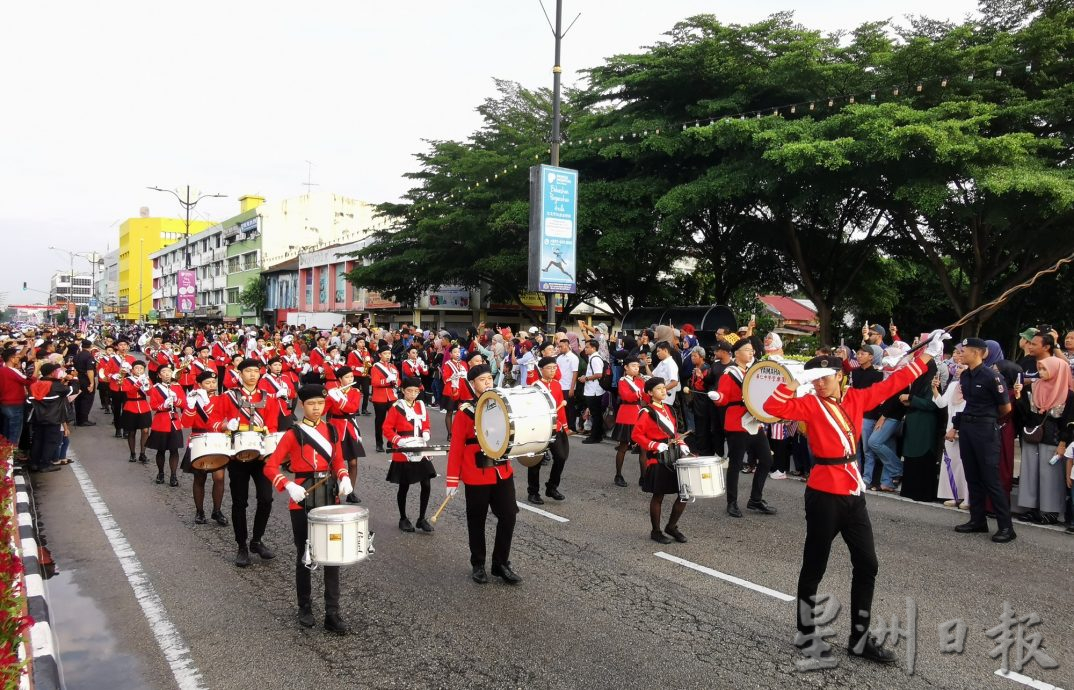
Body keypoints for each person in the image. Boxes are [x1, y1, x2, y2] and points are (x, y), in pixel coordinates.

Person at [763, 330, 947, 665]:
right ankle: (806, 633)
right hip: (823, 492)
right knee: (814, 565)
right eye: (815, 378)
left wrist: (928, 356)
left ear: (839, 376)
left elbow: (894, 382)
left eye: (825, 378)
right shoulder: (808, 403)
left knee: (868, 563)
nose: (819, 384)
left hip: (852, 490)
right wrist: (793, 382)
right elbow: (771, 405)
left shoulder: (855, 399)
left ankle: (859, 638)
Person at [263, 384, 353, 633]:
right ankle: (304, 607)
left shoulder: (332, 429)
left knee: (332, 554)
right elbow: (270, 466)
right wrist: (287, 485)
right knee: (305, 553)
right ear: (302, 405)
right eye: (312, 404)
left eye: (321, 404)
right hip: (301, 498)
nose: (317, 408)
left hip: (329, 498)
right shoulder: (293, 434)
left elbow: (337, 460)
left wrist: (343, 476)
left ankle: (332, 613)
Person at [445, 365, 521, 585]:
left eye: (490, 378)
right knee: (476, 520)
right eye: (482, 380)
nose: (487, 382)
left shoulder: (501, 405)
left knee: (509, 515)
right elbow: (457, 446)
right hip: (476, 472)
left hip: (501, 471)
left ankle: (500, 564)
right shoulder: (465, 411)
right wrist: (452, 479)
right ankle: (478, 564)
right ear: (472, 384)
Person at [953, 338, 1016, 543]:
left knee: (991, 478)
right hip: (968, 427)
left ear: (978, 353)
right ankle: (977, 520)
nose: (961, 354)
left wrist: (987, 420)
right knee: (973, 476)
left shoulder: (992, 376)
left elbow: (1005, 408)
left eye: (965, 351)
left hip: (985, 429)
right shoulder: (966, 376)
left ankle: (1006, 527)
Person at [218, 358, 277, 567]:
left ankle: (257, 540)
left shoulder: (268, 397)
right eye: (248, 371)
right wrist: (226, 424)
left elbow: (272, 424)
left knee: (266, 499)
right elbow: (213, 421)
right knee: (240, 502)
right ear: (239, 374)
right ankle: (241, 545)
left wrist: (269, 450)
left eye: (256, 371)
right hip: (237, 454)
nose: (253, 375)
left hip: (260, 456)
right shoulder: (228, 397)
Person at [711, 339, 776, 517]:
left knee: (766, 460)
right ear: (736, 353)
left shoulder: (753, 372)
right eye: (747, 350)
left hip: (754, 422)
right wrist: (717, 397)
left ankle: (755, 499)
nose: (751, 353)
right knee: (736, 464)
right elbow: (723, 398)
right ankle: (731, 502)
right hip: (737, 423)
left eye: (751, 350)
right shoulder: (729, 374)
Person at [1012, 356, 1074, 524]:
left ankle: (1050, 511)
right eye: (1040, 368)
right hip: (1032, 436)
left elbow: (1069, 422)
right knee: (1030, 472)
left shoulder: (1068, 394)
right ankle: (1031, 508)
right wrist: (1018, 397)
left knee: (1050, 475)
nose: (1041, 372)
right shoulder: (1032, 387)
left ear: (1058, 370)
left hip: (1053, 440)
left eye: (1045, 369)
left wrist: (1063, 443)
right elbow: (1025, 414)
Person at [633, 377, 693, 544]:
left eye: (663, 388)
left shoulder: (669, 409)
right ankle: (656, 531)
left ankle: (671, 527)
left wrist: (681, 443)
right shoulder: (646, 412)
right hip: (658, 457)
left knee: (684, 493)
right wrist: (654, 445)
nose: (663, 391)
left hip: (674, 456)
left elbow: (673, 433)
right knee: (658, 495)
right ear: (650, 393)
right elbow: (636, 435)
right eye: (659, 389)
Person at [382, 377, 436, 532]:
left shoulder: (420, 406)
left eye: (416, 391)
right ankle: (403, 518)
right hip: (404, 449)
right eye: (409, 391)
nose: (413, 394)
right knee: (404, 486)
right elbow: (387, 428)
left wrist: (426, 433)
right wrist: (398, 440)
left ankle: (421, 518)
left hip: (420, 446)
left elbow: (426, 423)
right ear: (403, 391)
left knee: (426, 483)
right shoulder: (396, 407)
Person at [181, 371, 229, 525]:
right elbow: (186, 423)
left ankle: (217, 511)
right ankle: (199, 511)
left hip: (217, 438)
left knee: (219, 477)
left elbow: (225, 418)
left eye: (214, 382)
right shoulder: (194, 399)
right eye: (207, 383)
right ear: (200, 385)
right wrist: (190, 405)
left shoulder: (222, 399)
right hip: (198, 438)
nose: (211, 386)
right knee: (200, 477)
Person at [527, 357, 571, 504]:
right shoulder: (535, 387)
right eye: (549, 368)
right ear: (541, 370)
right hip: (540, 428)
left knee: (561, 457)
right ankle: (533, 492)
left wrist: (565, 426)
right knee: (536, 460)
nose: (553, 371)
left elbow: (561, 407)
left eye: (554, 368)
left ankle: (551, 487)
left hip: (555, 427)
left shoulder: (558, 385)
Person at [898, 360, 941, 502]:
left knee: (923, 456)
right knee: (912, 456)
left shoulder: (932, 381)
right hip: (914, 422)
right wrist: (910, 401)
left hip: (925, 425)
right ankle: (910, 490)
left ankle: (922, 493)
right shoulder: (919, 381)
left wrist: (911, 398)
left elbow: (932, 404)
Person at [933, 359, 969, 510]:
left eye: (962, 367)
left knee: (966, 465)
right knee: (951, 462)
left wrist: (958, 428)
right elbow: (941, 403)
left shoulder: (973, 386)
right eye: (958, 367)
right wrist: (935, 390)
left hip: (965, 430)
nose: (958, 369)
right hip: (950, 430)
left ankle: (967, 498)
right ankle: (954, 495)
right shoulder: (954, 385)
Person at [325, 366, 364, 503]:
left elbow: (352, 408)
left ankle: (350, 491)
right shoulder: (333, 392)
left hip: (350, 427)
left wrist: (339, 399)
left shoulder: (355, 392)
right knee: (336, 463)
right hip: (336, 427)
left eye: (351, 377)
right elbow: (324, 410)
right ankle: (333, 493)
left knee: (353, 463)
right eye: (347, 377)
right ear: (340, 379)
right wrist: (329, 398)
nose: (350, 379)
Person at [27, 363, 73, 473]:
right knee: (51, 441)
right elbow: (71, 390)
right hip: (53, 418)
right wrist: (72, 379)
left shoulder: (34, 385)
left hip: (37, 417)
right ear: (52, 373)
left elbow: (29, 401)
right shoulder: (55, 386)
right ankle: (45, 464)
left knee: (37, 440)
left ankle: (34, 463)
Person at [147, 364, 187, 486]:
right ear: (159, 375)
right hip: (161, 420)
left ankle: (173, 476)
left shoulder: (177, 387)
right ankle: (160, 473)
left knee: (174, 450)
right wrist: (163, 405)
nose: (167, 374)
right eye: (164, 372)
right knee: (161, 450)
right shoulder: (155, 388)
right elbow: (153, 405)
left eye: (169, 371)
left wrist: (176, 400)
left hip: (174, 421)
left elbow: (184, 404)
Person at [612, 356, 648, 487]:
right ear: (626, 367)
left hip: (639, 414)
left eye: (637, 366)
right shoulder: (622, 381)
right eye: (633, 366)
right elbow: (627, 396)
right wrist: (642, 391)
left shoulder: (639, 381)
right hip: (626, 414)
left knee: (644, 448)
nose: (636, 368)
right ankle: (618, 475)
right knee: (623, 446)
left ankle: (644, 477)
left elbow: (645, 397)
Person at [119, 361, 153, 463]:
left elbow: (150, 393)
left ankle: (143, 453)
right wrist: (138, 383)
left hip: (144, 407)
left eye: (141, 369)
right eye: (137, 368)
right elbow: (129, 392)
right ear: (132, 370)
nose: (139, 370)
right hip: (131, 406)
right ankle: (132, 453)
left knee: (145, 431)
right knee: (131, 431)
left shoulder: (146, 379)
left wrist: (146, 384)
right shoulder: (127, 380)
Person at [369, 345, 400, 453]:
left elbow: (398, 380)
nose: (388, 356)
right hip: (379, 397)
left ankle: (391, 440)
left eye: (389, 354)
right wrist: (387, 380)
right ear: (380, 355)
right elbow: (374, 382)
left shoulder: (393, 367)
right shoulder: (375, 367)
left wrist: (396, 382)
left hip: (392, 396)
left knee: (394, 420)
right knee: (380, 421)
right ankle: (379, 443)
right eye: (385, 354)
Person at [580, 339, 606, 444]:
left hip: (594, 390)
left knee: (596, 414)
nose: (585, 349)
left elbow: (599, 374)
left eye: (587, 347)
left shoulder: (595, 359)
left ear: (593, 348)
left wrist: (585, 378)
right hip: (592, 389)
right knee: (596, 414)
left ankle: (595, 436)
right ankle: (596, 435)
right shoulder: (593, 357)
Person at [440, 345, 467, 436]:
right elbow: (445, 377)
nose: (457, 354)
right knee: (450, 412)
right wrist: (454, 376)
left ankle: (460, 433)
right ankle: (450, 433)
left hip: (462, 390)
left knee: (462, 412)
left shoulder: (463, 363)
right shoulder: (448, 364)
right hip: (451, 390)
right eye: (455, 352)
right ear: (450, 354)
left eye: (458, 352)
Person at [72, 339, 97, 426]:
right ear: (90, 346)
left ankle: (78, 419)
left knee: (78, 399)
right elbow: (90, 370)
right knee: (87, 399)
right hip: (86, 379)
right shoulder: (89, 356)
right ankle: (83, 420)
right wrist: (92, 383)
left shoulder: (77, 355)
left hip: (78, 378)